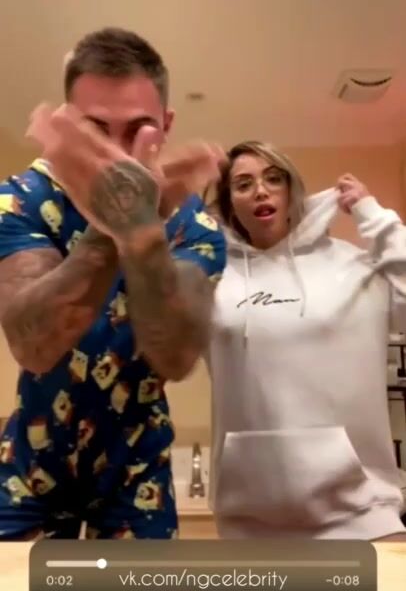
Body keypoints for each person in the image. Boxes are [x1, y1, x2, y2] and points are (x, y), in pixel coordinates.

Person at [0, 27, 226, 541]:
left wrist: (143, 233)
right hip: (31, 463)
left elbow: (176, 357)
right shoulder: (22, 198)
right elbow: (32, 345)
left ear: (166, 125)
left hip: (138, 466)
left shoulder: (195, 223)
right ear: (69, 123)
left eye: (138, 130)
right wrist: (113, 227)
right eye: (97, 130)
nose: (118, 154)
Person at [205, 139, 406, 541]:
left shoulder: (352, 267)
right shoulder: (212, 279)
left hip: (362, 513)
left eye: (273, 179)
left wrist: (374, 216)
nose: (260, 191)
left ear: (291, 189)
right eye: (243, 184)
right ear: (229, 204)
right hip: (250, 522)